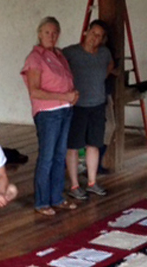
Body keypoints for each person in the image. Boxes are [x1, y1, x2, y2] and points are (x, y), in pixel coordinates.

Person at [21, 17, 79, 216]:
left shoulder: (59, 55)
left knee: (59, 156)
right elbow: (35, 91)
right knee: (47, 157)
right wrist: (64, 96)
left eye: (54, 33)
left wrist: (72, 95)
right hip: (48, 113)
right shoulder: (35, 58)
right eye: (47, 32)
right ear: (39, 33)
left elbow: (64, 82)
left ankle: (56, 197)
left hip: (65, 110)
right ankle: (42, 201)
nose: (51, 36)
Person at [63, 20, 114, 200]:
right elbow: (57, 69)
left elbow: (110, 66)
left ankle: (92, 182)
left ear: (102, 39)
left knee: (94, 145)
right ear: (86, 32)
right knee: (73, 146)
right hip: (77, 106)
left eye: (99, 36)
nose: (95, 38)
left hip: (97, 105)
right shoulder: (70, 52)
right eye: (93, 33)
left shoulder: (104, 53)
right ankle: (74, 185)